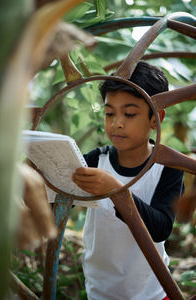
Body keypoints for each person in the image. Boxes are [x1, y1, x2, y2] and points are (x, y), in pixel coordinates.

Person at [72, 61, 184, 300]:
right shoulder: (95, 161)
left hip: (151, 293)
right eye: (109, 113)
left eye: (129, 114)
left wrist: (116, 190)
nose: (117, 123)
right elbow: (59, 200)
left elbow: (160, 229)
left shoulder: (167, 170)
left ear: (156, 119)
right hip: (100, 292)